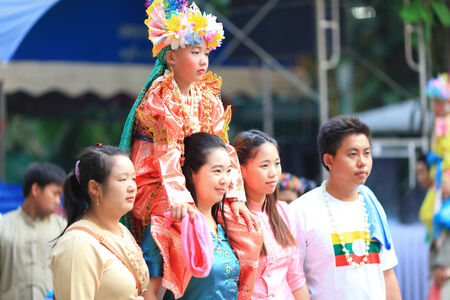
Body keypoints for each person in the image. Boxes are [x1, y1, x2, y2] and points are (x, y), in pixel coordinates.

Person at [119, 1, 262, 298]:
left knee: (244, 226)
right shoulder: (161, 97)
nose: (203, 60)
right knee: (169, 220)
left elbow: (223, 150)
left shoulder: (208, 97)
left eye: (206, 53)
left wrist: (234, 194)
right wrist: (182, 198)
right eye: (194, 52)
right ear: (171, 57)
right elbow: (167, 154)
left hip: (201, 178)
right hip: (159, 180)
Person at [290, 116, 401, 300]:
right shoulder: (300, 211)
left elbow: (387, 273)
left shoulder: (372, 206)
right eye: (352, 154)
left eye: (367, 153)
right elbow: (293, 280)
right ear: (329, 160)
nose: (362, 162)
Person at [50, 144, 149, 300]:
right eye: (123, 179)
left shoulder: (122, 231)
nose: (132, 187)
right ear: (95, 187)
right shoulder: (78, 243)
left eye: (133, 178)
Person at [161, 132, 240, 299]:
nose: (225, 180)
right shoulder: (169, 224)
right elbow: (149, 293)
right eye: (217, 171)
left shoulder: (225, 224)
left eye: (228, 171)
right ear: (191, 172)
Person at [233, 130, 310, 299]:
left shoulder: (283, 211)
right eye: (265, 165)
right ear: (241, 169)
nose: (274, 172)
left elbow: (295, 278)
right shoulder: (231, 216)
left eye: (277, 163)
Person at [0, 162, 66, 300]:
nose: (58, 201)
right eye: (55, 193)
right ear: (36, 190)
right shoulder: (3, 226)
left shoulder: (64, 229)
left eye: (60, 196)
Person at [418, 73, 450, 299]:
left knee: (443, 219)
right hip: (439, 181)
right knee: (434, 218)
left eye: (439, 101)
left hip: (445, 179)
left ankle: (443, 265)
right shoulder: (439, 123)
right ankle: (437, 266)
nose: (435, 106)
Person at [400, 154, 432, 224]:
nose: (418, 178)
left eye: (421, 172)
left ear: (431, 171)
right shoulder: (429, 192)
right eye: (417, 174)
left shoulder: (439, 193)